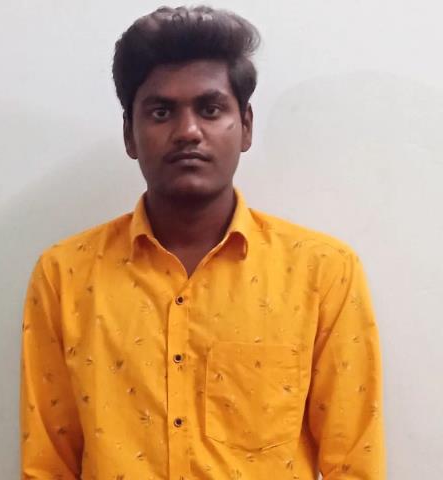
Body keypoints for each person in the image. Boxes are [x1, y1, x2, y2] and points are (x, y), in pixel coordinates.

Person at [20, 5, 385, 479]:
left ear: (246, 126)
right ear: (130, 134)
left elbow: (354, 463)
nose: (188, 132)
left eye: (210, 110)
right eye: (161, 112)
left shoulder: (322, 273)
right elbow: (47, 464)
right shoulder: (65, 276)